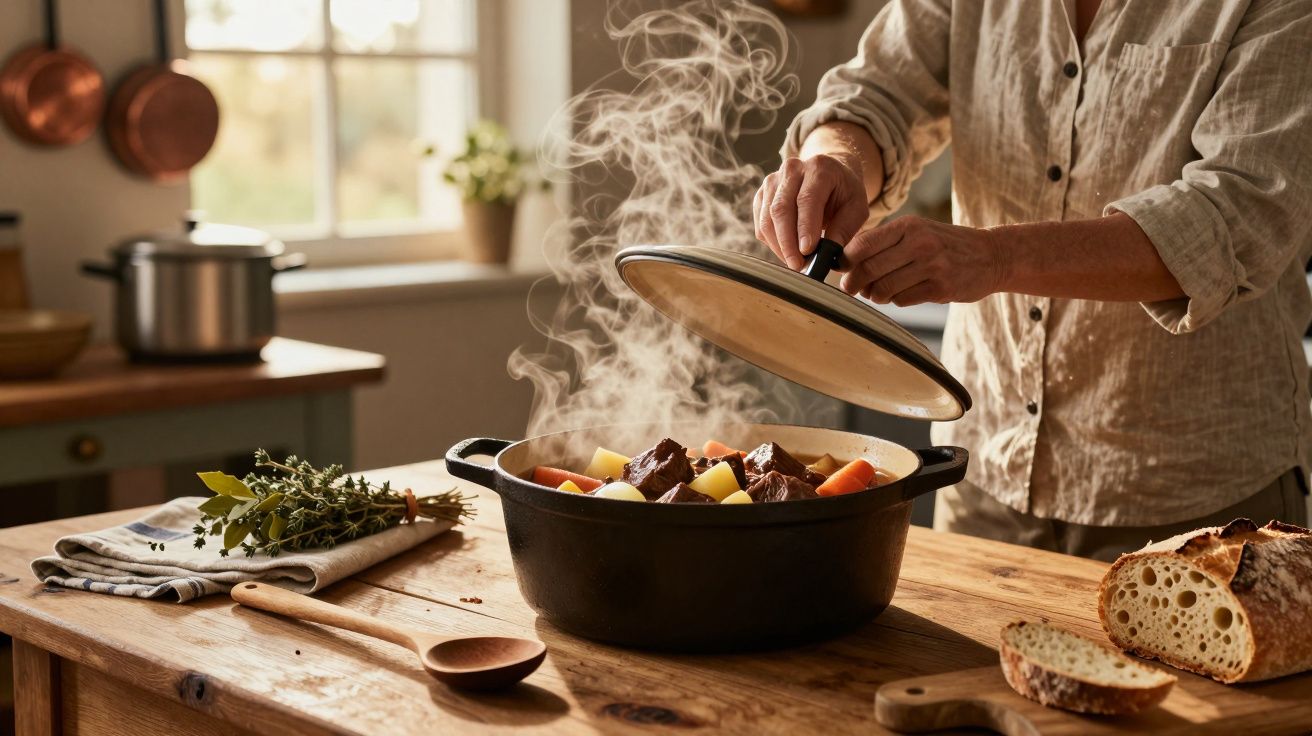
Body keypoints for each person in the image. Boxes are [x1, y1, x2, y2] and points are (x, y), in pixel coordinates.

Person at [755, 0, 1312, 560]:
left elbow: (1239, 214)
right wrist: (837, 160)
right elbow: (876, 94)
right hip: (983, 473)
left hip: (1195, 490)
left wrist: (994, 257)